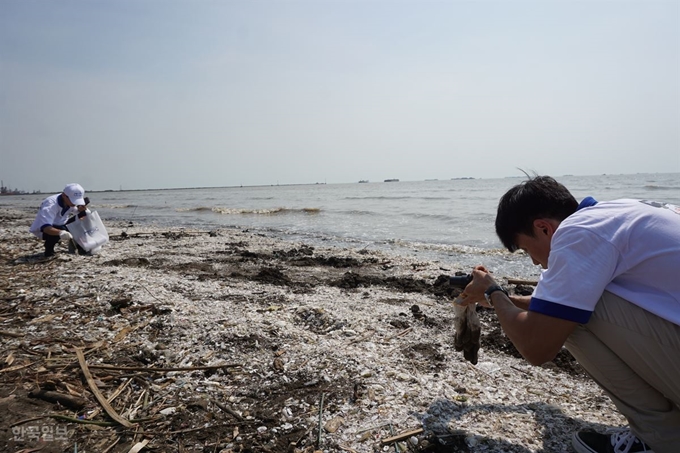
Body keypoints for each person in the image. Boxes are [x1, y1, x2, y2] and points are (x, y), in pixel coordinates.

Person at [457, 175, 680, 453]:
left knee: (572, 318)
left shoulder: (577, 231)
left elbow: (536, 347)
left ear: (544, 228)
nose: (535, 261)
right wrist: (505, 299)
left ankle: (663, 438)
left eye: (527, 249)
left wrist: (493, 291)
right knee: (575, 304)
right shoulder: (614, 216)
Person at [30, 183, 89, 257]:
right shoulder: (50, 205)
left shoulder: (69, 202)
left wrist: (82, 210)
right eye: (73, 200)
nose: (74, 203)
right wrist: (61, 233)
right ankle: (49, 250)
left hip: (62, 223)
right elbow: (46, 227)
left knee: (84, 216)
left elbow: (76, 211)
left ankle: (79, 246)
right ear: (64, 195)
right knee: (58, 230)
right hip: (45, 229)